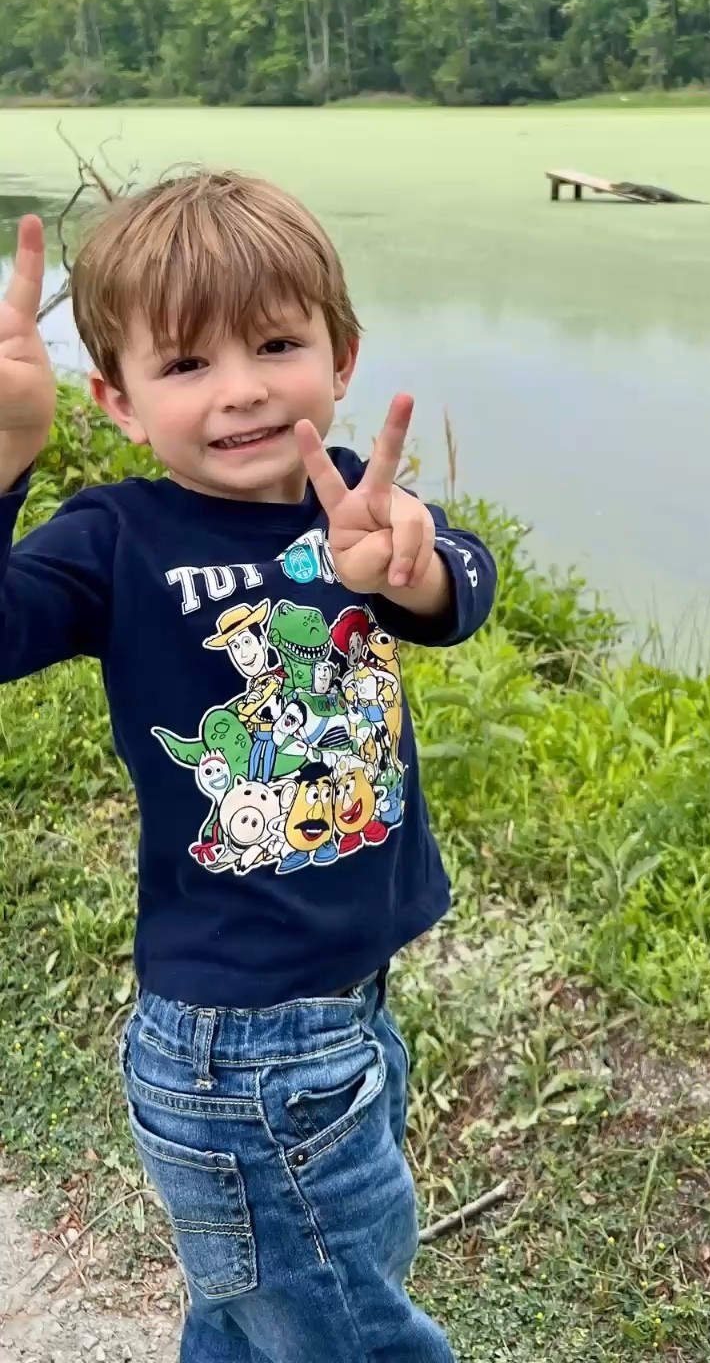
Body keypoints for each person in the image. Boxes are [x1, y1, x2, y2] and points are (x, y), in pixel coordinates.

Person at [0, 171, 497, 1363]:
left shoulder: (357, 510)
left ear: (343, 354)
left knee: (265, 1312)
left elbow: (457, 588)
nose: (240, 390)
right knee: (355, 1333)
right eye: (185, 367)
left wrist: (407, 569)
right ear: (116, 400)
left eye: (276, 343)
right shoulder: (117, 540)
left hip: (345, 1005)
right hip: (244, 1045)